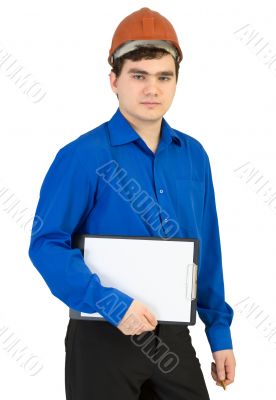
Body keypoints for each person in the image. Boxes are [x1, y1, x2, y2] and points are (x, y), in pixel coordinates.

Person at [28, 7, 236, 400]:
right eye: (138, 76)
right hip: (101, 337)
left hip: (173, 336)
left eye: (163, 77)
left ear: (176, 82)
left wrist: (219, 333)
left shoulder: (194, 156)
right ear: (114, 81)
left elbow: (208, 251)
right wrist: (111, 303)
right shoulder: (82, 157)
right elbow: (46, 245)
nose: (152, 89)